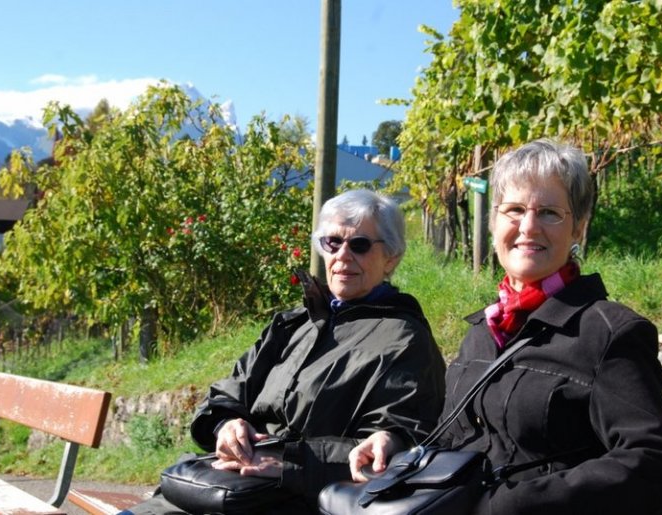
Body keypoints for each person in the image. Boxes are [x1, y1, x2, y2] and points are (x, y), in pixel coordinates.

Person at [348, 140, 662, 514]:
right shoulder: (482, 333)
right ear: (493, 224)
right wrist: (394, 443)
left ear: (579, 228)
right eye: (514, 210)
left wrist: (511, 504)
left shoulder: (608, 333)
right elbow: (453, 436)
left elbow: (653, 461)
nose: (528, 226)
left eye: (550, 213)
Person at [126, 189, 446, 514]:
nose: (343, 256)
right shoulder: (292, 324)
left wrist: (287, 463)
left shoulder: (404, 339)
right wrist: (226, 427)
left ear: (390, 257)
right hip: (226, 485)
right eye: (332, 242)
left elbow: (395, 444)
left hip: (299, 500)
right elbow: (226, 396)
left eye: (360, 245)